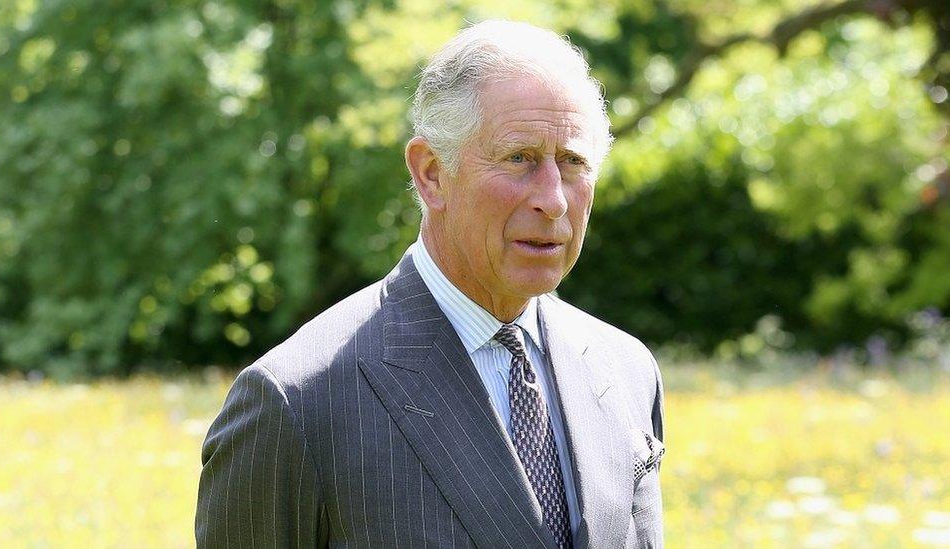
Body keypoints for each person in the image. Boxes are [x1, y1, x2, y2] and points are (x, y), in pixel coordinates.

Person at [196, 20, 665, 549]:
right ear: (432, 173)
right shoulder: (296, 402)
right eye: (520, 159)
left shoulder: (625, 370)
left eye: (573, 162)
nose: (554, 199)